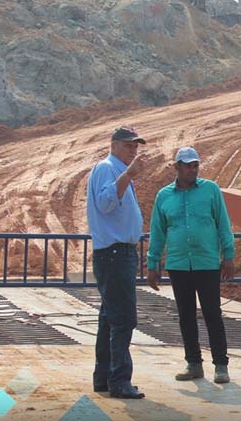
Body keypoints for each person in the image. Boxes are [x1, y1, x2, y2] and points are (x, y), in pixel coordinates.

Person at [146, 147, 236, 384]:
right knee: (185, 316)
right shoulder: (164, 196)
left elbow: (223, 223)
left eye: (195, 165)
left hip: (206, 263)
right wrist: (152, 263)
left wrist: (228, 255)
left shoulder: (210, 190)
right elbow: (158, 231)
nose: (192, 169)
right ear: (176, 167)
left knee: (212, 314)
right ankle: (194, 364)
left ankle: (221, 365)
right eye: (187, 165)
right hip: (178, 264)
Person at [86, 125, 148, 399]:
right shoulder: (106, 169)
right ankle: (120, 380)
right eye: (128, 145)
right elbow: (106, 203)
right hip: (114, 253)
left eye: (135, 146)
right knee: (123, 318)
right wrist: (129, 174)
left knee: (110, 319)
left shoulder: (115, 171)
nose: (133, 150)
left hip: (118, 253)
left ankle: (104, 377)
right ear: (113, 145)